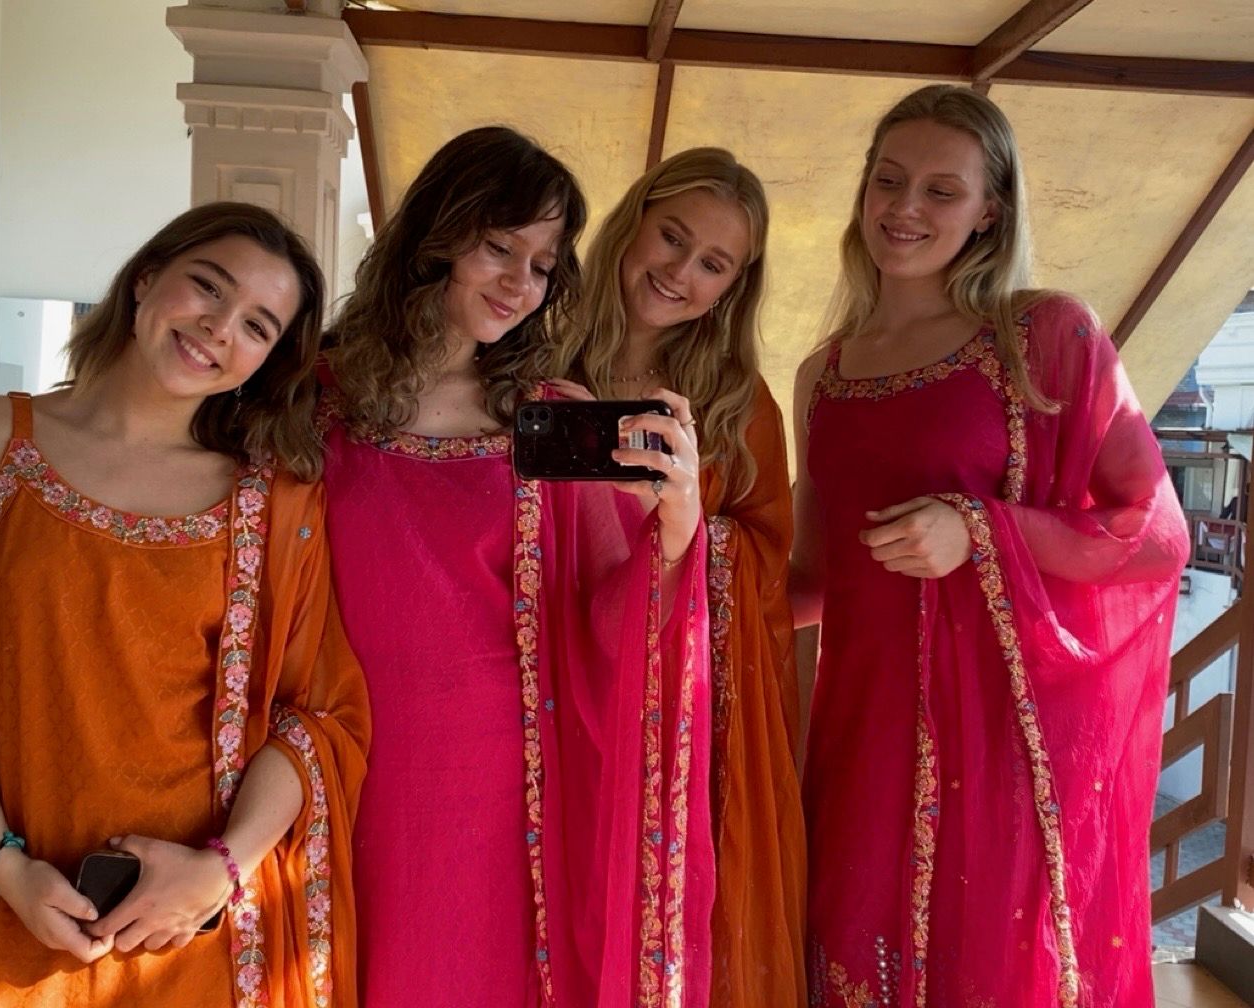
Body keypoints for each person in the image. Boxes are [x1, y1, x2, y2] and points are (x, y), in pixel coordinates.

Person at [0, 202, 368, 1007]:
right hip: (20, 898)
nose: (219, 328)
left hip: (198, 929)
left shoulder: (273, 498)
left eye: (257, 326)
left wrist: (219, 871)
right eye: (207, 287)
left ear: (268, 360)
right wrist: (2, 865)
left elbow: (315, 714)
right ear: (147, 277)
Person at [791, 84, 1188, 1007]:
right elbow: (815, 580)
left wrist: (980, 530)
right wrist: (686, 568)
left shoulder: (1043, 336)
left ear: (990, 210)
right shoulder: (824, 373)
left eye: (942, 190)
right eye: (889, 181)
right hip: (862, 734)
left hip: (1006, 743)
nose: (904, 209)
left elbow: (1153, 534)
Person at [319, 125, 714, 1007]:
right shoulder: (313, 403)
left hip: (504, 789)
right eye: (499, 247)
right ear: (435, 235)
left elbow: (614, 617)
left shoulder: (545, 419)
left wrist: (677, 527)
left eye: (541, 264)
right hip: (338, 770)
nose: (518, 284)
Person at [551, 147, 805, 1008]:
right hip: (540, 674)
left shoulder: (739, 403)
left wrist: (686, 520)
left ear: (734, 286)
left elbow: (771, 559)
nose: (680, 272)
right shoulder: (532, 350)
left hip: (670, 708)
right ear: (634, 221)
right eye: (672, 237)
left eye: (713, 265)